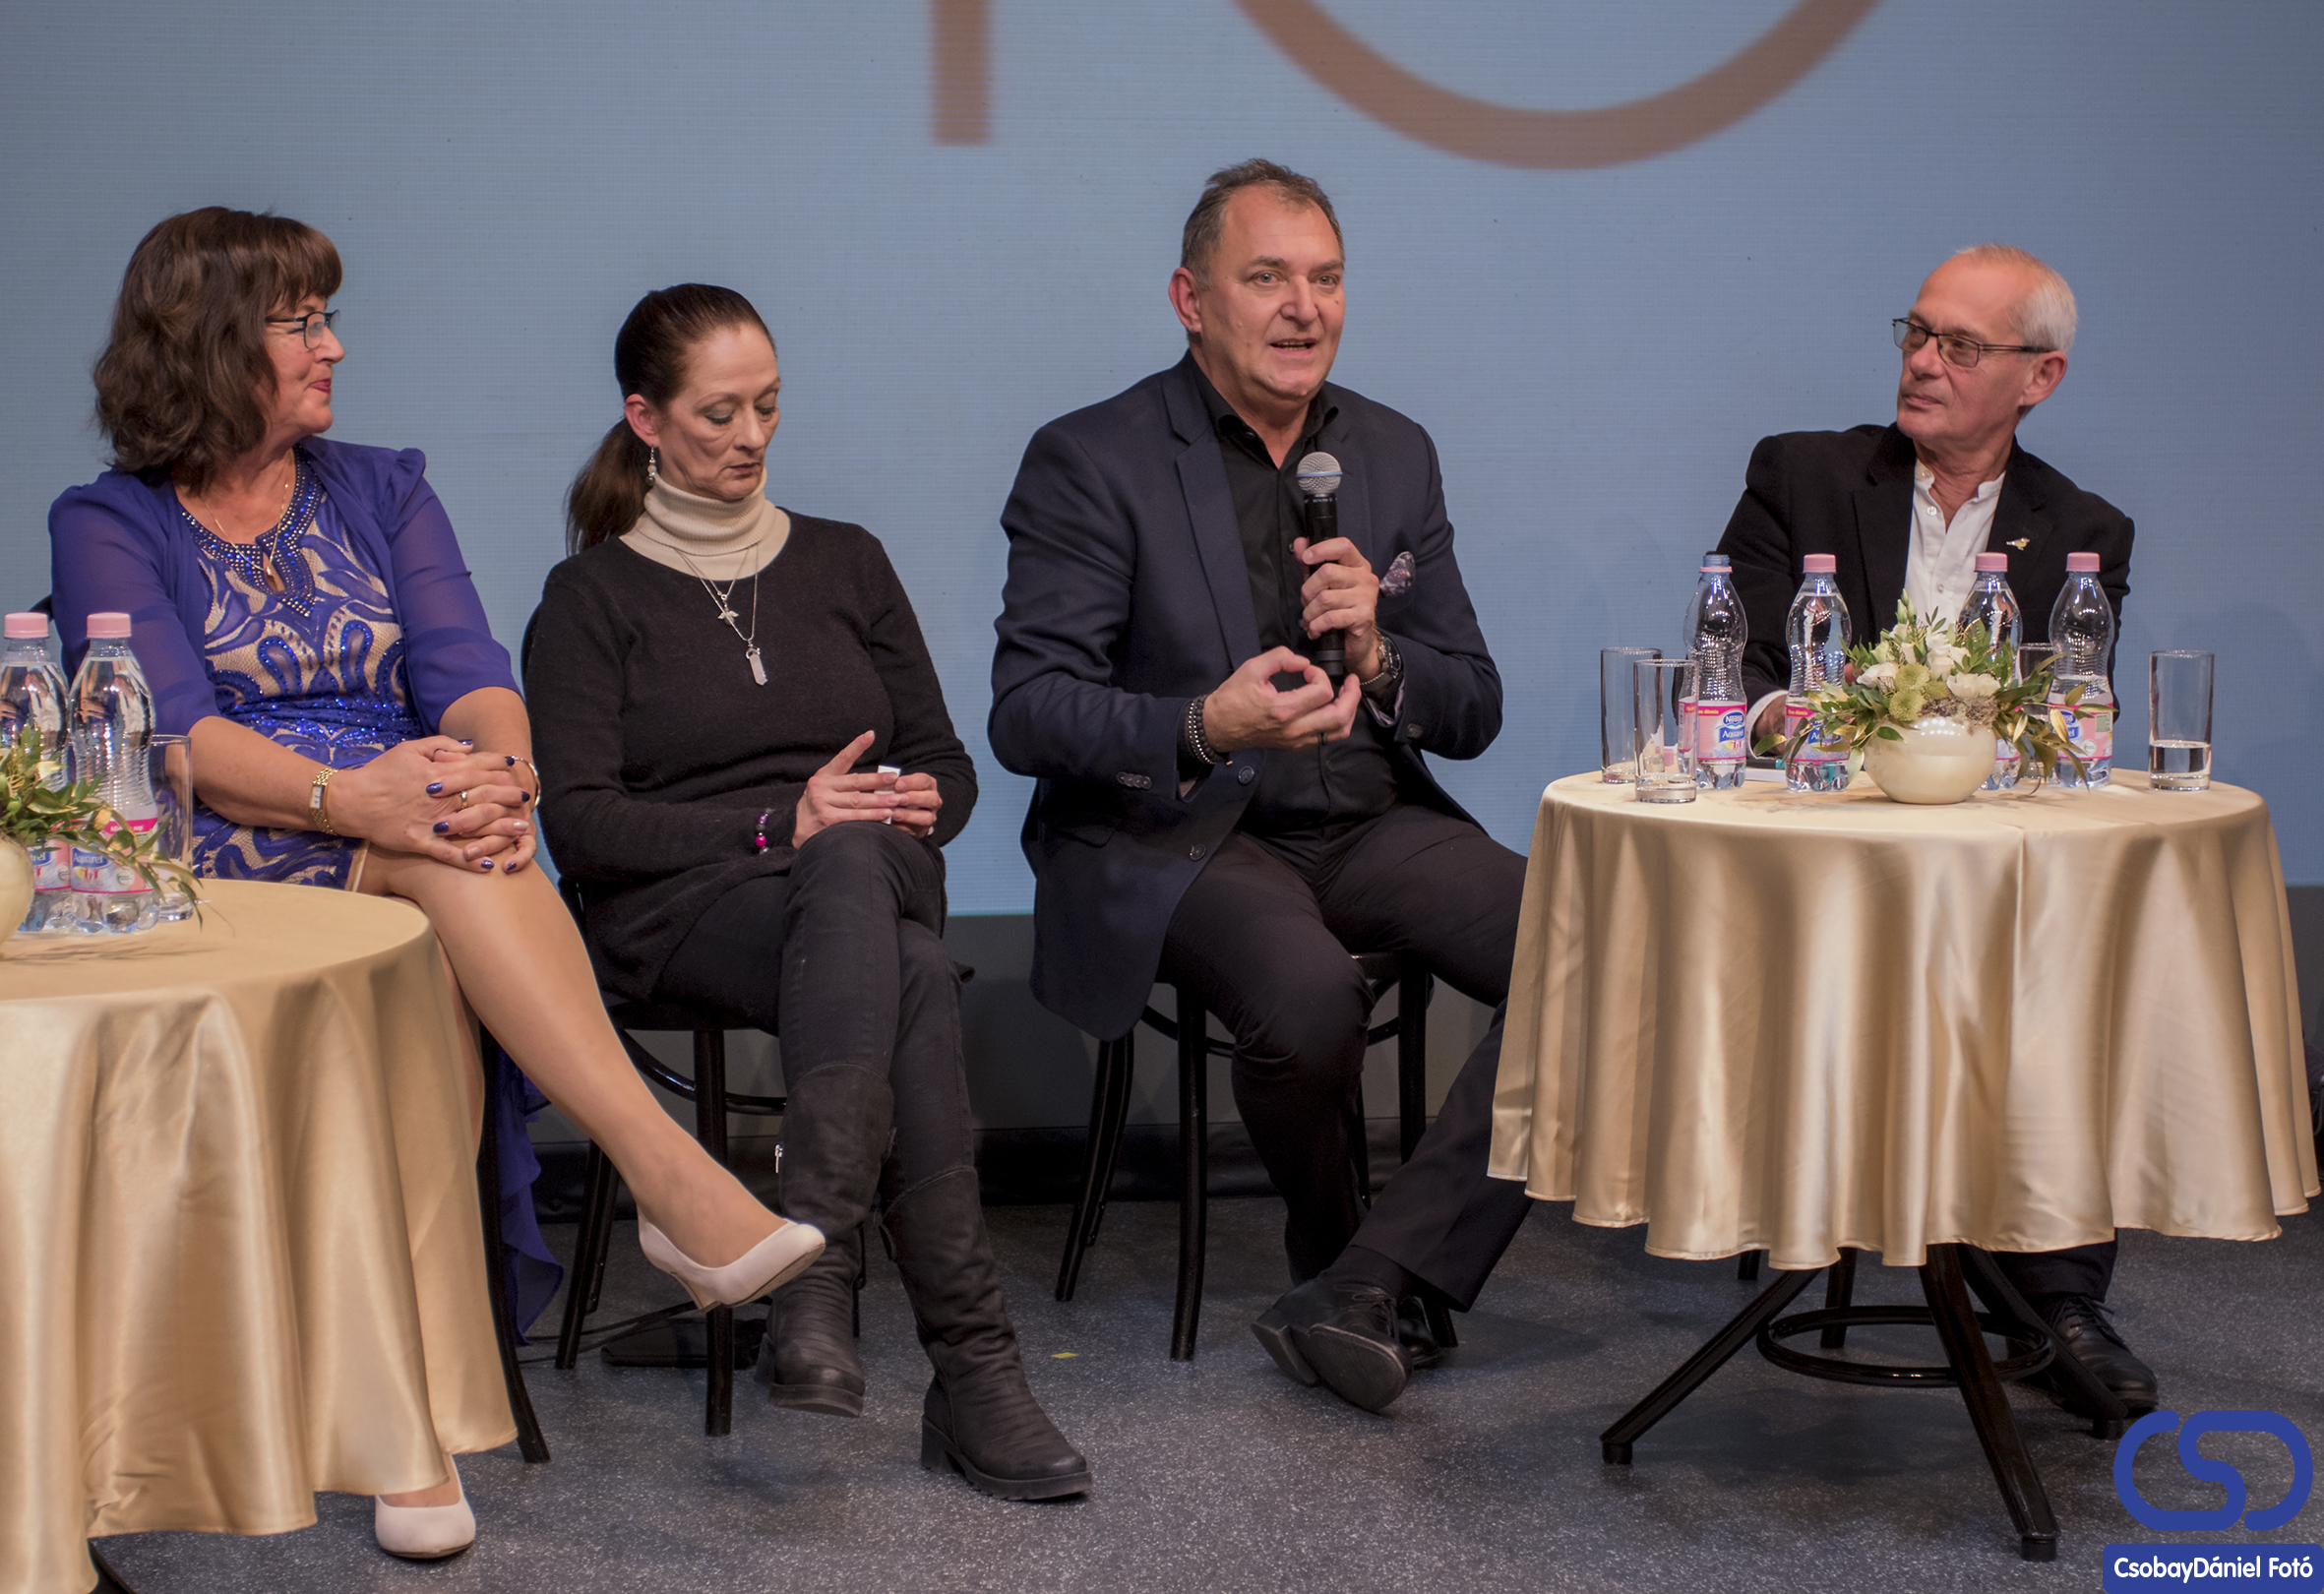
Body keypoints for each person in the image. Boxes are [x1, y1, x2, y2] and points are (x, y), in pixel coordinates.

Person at [47, 210, 824, 1561]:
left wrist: (502, 775)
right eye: (302, 323)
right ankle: (661, 1179)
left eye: (327, 319)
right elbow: (176, 736)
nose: (334, 347)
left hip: (411, 820)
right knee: (435, 855)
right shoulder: (108, 521)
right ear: (211, 340)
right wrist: (357, 800)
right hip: (228, 836)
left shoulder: (382, 487)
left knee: (451, 888)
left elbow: (467, 671)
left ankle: (412, 1410)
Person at [525, 284, 1089, 1501]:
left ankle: (810, 1257)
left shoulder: (847, 559)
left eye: (768, 406)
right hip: (684, 909)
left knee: (851, 864)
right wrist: (781, 819)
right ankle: (969, 1368)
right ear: (644, 419)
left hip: (861, 872)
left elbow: (946, 766)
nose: (752, 436)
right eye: (718, 412)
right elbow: (579, 825)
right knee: (914, 966)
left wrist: (919, 801)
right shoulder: (590, 601)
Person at [990, 159, 1535, 1414]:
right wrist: (1201, 723)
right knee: (1308, 994)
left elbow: (1473, 705)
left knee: (1601, 949)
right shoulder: (1092, 457)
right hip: (1179, 827)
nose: (1304, 308)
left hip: (1367, 817)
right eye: (1268, 278)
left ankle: (1370, 1280)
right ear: (1191, 299)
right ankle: (1340, 1256)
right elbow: (1027, 711)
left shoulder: (1390, 450)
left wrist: (1382, 655)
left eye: (1326, 279)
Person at [1713, 243, 2149, 1413]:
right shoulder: (1802, 475)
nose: (1921, 362)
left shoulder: (2083, 528)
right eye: (1915, 332)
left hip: (1989, 875)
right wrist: (1813, 726)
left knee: (2071, 958)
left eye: (1959, 345)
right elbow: (1742, 667)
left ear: (2038, 377)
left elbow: (2069, 710)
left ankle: (2059, 1297)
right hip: (1818, 859)